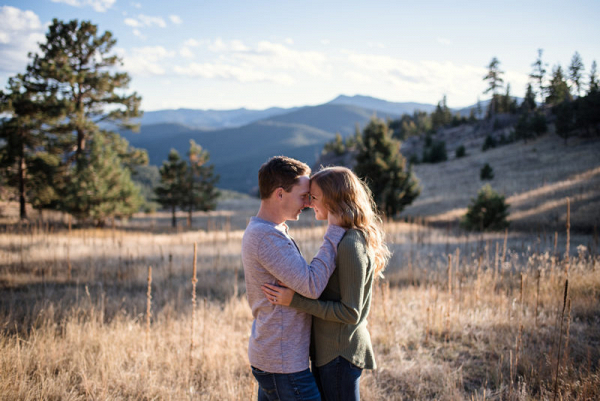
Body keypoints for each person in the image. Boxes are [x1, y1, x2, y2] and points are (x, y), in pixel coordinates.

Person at [261, 166, 390, 401]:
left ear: (333, 200)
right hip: (329, 353)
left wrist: (295, 301)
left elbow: (351, 312)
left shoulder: (351, 244)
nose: (309, 204)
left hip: (339, 354)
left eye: (314, 197)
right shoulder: (343, 237)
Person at [241, 156, 346, 401]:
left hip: (275, 357)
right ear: (280, 194)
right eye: (303, 196)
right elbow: (311, 286)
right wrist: (334, 231)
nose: (308, 203)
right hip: (282, 362)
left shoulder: (270, 230)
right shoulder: (266, 237)